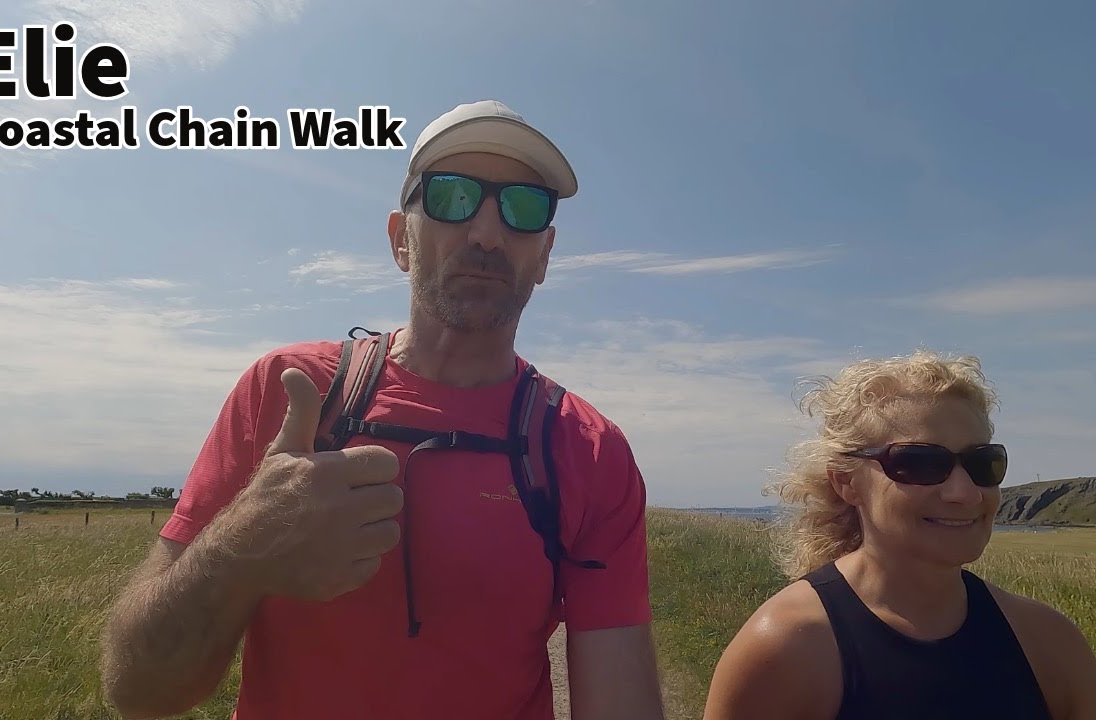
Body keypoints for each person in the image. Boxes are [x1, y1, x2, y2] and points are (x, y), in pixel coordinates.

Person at [99, 100, 665, 720]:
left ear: (545, 255)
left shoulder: (588, 451)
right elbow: (139, 691)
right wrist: (242, 545)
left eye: (524, 208)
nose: (486, 233)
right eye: (452, 197)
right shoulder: (290, 393)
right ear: (401, 240)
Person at [702, 351, 1096, 720]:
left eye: (983, 463)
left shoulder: (1049, 642)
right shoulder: (787, 649)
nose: (964, 492)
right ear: (846, 483)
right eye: (919, 462)